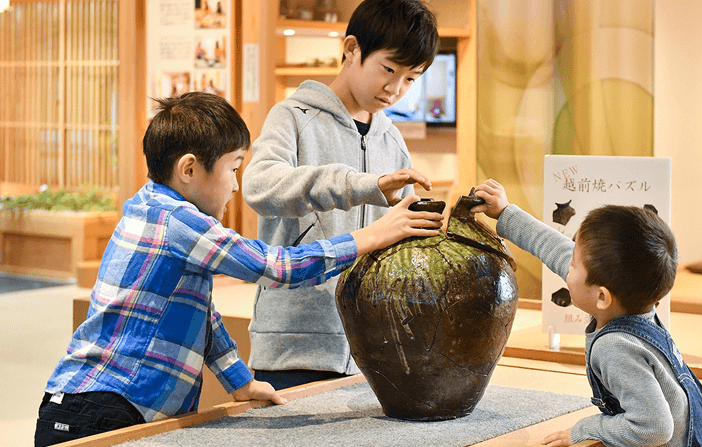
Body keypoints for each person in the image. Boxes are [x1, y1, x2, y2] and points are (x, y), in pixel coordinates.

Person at [34, 92, 442, 447]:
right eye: (233, 168)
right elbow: (276, 267)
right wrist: (372, 235)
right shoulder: (178, 223)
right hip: (102, 409)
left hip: (97, 405)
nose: (235, 185)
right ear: (189, 169)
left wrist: (240, 383)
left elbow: (202, 316)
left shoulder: (149, 207)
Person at [241, 0, 440, 390]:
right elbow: (259, 185)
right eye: (388, 70)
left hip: (372, 352)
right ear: (351, 49)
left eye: (411, 79)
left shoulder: (392, 139)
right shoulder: (293, 116)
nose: (395, 89)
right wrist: (364, 184)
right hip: (293, 349)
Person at [471, 179, 702, 447]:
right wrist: (506, 212)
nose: (567, 268)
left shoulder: (615, 346)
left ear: (601, 297)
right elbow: (554, 248)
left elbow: (654, 427)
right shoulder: (635, 306)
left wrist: (586, 429)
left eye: (573, 266)